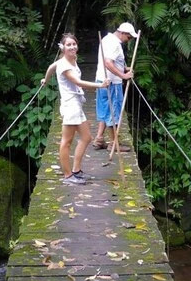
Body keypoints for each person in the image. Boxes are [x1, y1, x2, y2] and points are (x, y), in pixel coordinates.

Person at [41, 33, 110, 185]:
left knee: (86, 137)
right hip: (70, 105)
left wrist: (46, 79)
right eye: (68, 45)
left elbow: (51, 67)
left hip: (76, 105)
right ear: (63, 48)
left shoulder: (69, 60)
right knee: (66, 142)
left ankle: (76, 170)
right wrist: (100, 85)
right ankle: (68, 176)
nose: (72, 47)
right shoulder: (65, 66)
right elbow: (78, 82)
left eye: (74, 44)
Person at [93, 22, 139, 149]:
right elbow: (108, 62)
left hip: (101, 81)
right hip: (112, 83)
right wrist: (123, 75)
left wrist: (124, 68)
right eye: (129, 37)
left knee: (105, 110)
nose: (129, 40)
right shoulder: (115, 44)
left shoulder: (106, 39)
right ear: (122, 33)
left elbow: (110, 61)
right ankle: (114, 144)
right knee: (114, 112)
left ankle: (99, 139)